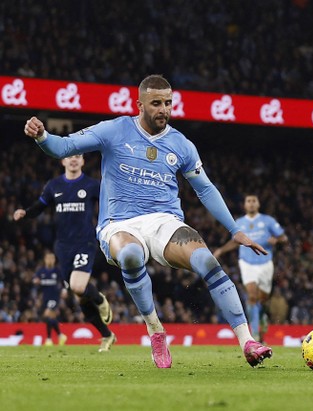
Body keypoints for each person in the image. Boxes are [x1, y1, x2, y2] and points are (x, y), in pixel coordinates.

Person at [23, 74, 272, 368]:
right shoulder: (114, 130)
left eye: (168, 103)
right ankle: (155, 329)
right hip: (118, 223)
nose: (164, 109)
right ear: (139, 104)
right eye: (156, 103)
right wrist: (42, 136)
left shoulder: (181, 145)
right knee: (129, 255)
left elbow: (205, 188)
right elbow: (62, 148)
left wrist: (235, 230)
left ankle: (247, 341)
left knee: (205, 260)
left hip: (163, 221)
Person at [14, 154, 116, 352]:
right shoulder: (54, 186)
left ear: (83, 161)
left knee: (78, 287)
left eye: (78, 156)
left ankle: (100, 300)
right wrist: (25, 213)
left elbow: (109, 203)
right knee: (79, 297)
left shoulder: (92, 185)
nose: (74, 160)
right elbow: (40, 206)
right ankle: (107, 335)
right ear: (63, 161)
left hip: (84, 242)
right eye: (70, 157)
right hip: (62, 247)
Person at [213, 195, 288, 341]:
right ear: (245, 205)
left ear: (258, 204)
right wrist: (221, 250)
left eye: (254, 201)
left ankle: (262, 316)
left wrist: (276, 240)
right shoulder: (239, 223)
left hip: (265, 263)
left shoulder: (268, 221)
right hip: (247, 263)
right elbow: (235, 242)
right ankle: (255, 334)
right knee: (252, 296)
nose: (251, 204)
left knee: (263, 299)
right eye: (249, 201)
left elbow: (284, 238)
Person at [33, 251, 67, 346]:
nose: (50, 260)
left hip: (54, 297)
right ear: (45, 259)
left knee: (48, 314)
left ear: (54, 260)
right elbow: (35, 280)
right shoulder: (41, 271)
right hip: (45, 298)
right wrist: (36, 281)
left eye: (52, 258)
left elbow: (64, 281)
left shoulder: (57, 271)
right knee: (50, 318)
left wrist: (64, 290)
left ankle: (48, 339)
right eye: (48, 258)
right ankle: (60, 336)